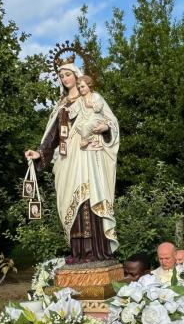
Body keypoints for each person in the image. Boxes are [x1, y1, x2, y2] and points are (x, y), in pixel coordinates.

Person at [24, 56, 120, 264]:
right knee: (71, 201)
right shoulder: (61, 106)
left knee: (89, 198)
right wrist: (40, 153)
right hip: (68, 159)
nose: (64, 79)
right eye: (61, 76)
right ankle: (78, 252)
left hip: (88, 156)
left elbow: (111, 122)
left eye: (68, 74)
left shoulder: (92, 99)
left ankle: (95, 251)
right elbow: (53, 135)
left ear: (77, 76)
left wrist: (105, 128)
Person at [75, 75, 108, 150]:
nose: (81, 89)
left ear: (89, 85)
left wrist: (91, 105)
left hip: (96, 118)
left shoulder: (95, 96)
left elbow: (99, 107)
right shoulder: (80, 99)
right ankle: (90, 138)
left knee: (86, 126)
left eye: (82, 86)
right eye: (79, 88)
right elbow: (75, 109)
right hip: (86, 118)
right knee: (78, 126)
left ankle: (86, 139)